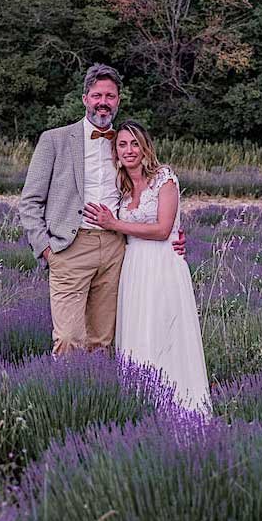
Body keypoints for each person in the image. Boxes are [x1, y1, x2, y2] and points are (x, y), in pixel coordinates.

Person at [19, 64, 184, 356]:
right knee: (69, 337)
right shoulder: (55, 140)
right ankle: (64, 399)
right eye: (97, 95)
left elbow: (151, 192)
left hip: (116, 250)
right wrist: (46, 250)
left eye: (110, 96)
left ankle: (94, 398)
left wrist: (174, 234)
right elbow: (30, 202)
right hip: (69, 247)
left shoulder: (124, 142)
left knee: (103, 340)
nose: (103, 102)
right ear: (85, 99)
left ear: (118, 100)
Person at [84, 120, 211, 412]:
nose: (129, 150)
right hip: (133, 268)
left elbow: (164, 229)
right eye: (122, 145)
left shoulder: (164, 179)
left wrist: (115, 223)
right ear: (115, 152)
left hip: (163, 265)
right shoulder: (122, 189)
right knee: (137, 336)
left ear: (145, 147)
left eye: (134, 144)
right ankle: (142, 407)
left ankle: (181, 406)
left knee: (164, 331)